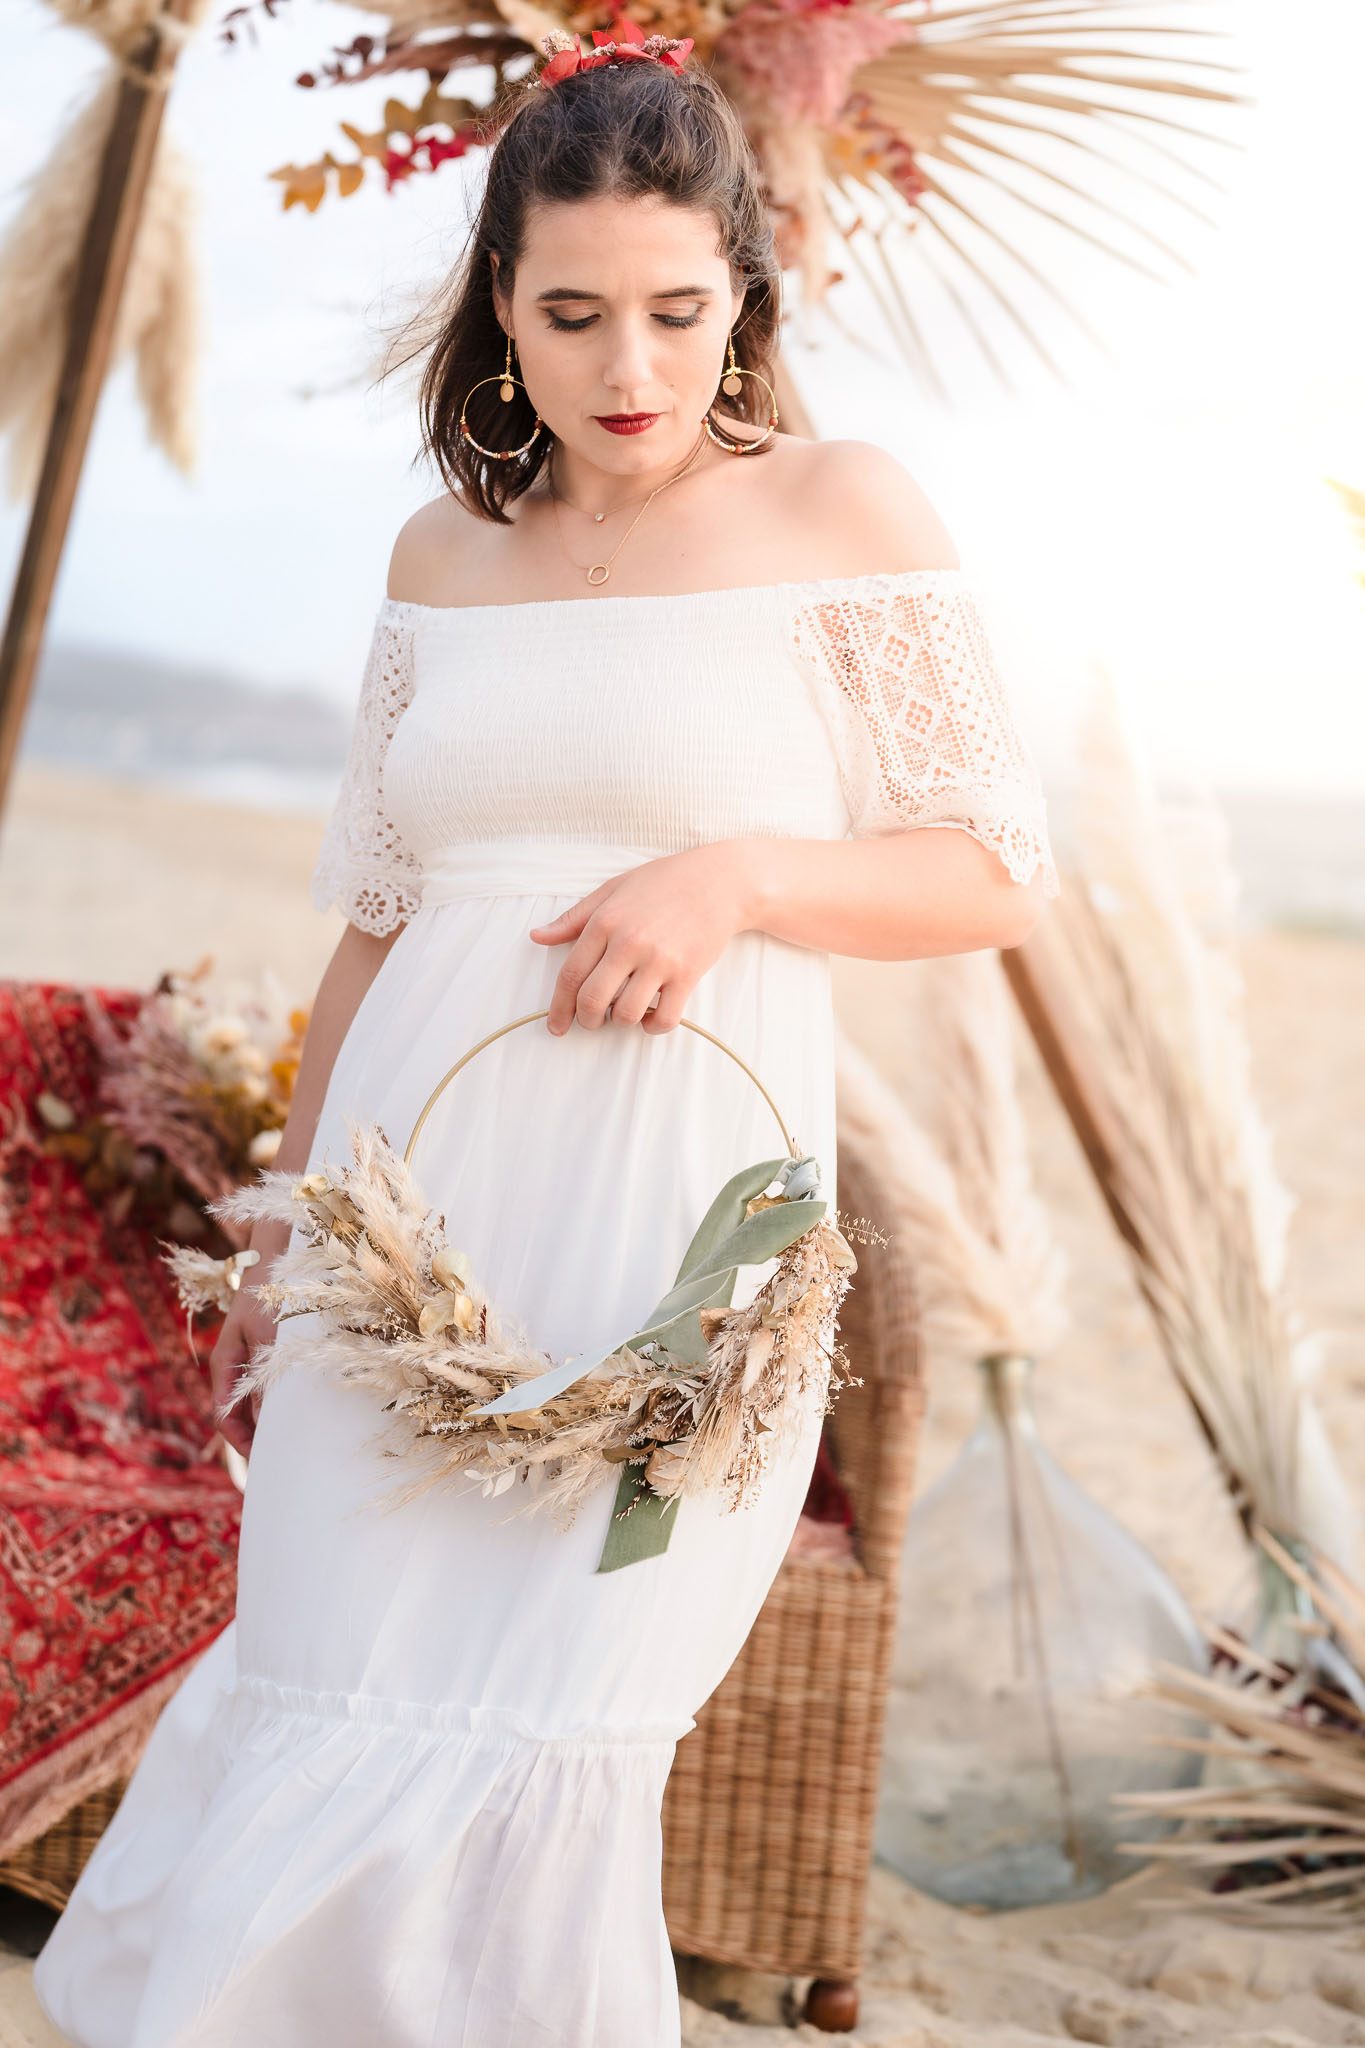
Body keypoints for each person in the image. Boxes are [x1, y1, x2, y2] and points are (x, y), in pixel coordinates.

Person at [33, 26, 1058, 2048]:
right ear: (498, 302)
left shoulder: (842, 510)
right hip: (404, 1229)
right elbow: (372, 928)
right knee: (327, 1659)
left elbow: (987, 869)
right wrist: (287, 1230)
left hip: (668, 1243)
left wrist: (738, 875)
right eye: (572, 311)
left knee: (558, 1698)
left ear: (743, 293)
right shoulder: (441, 555)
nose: (627, 368)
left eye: (676, 311)